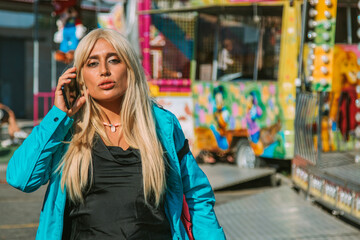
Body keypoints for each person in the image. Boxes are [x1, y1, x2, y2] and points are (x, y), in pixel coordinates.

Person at [6, 28, 225, 240]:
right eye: (92, 63)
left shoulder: (162, 125)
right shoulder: (67, 129)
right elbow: (21, 179)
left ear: (129, 68)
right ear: (79, 77)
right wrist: (58, 115)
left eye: (114, 60)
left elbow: (196, 197)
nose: (104, 70)